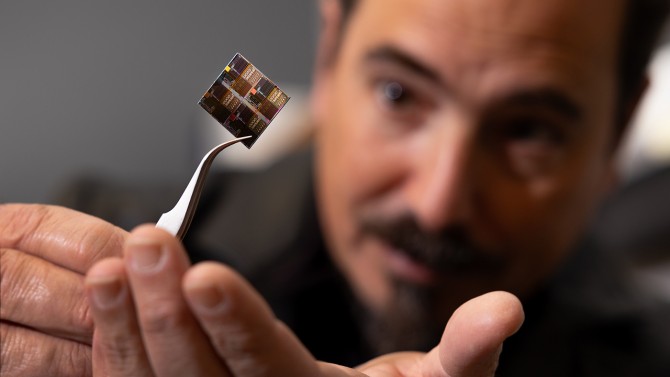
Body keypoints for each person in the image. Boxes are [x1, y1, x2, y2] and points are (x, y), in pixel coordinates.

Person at [2, 0, 670, 375]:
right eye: (398, 92)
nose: (437, 203)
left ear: (617, 132)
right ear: (329, 54)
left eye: (530, 130)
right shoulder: (78, 254)